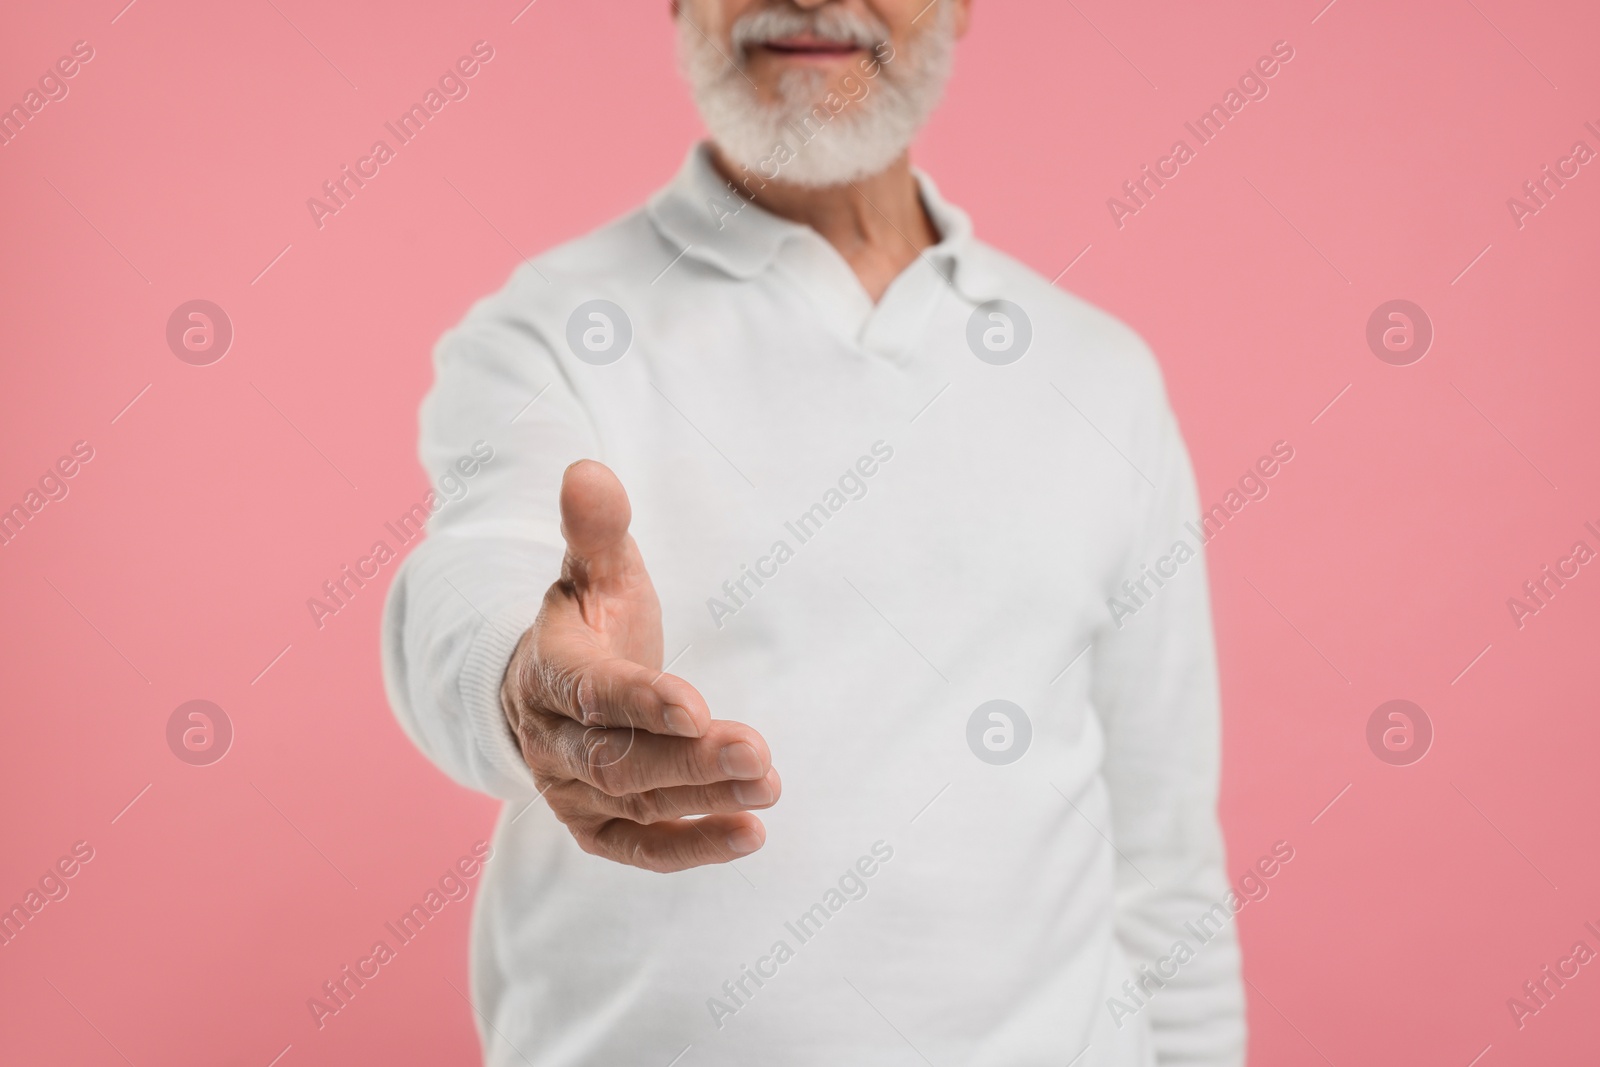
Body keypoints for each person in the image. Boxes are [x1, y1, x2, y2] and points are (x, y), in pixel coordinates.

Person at [381, 1, 1245, 1063]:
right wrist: (525, 688)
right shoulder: (550, 330)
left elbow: (1165, 863)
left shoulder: (1099, 377)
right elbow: (475, 568)